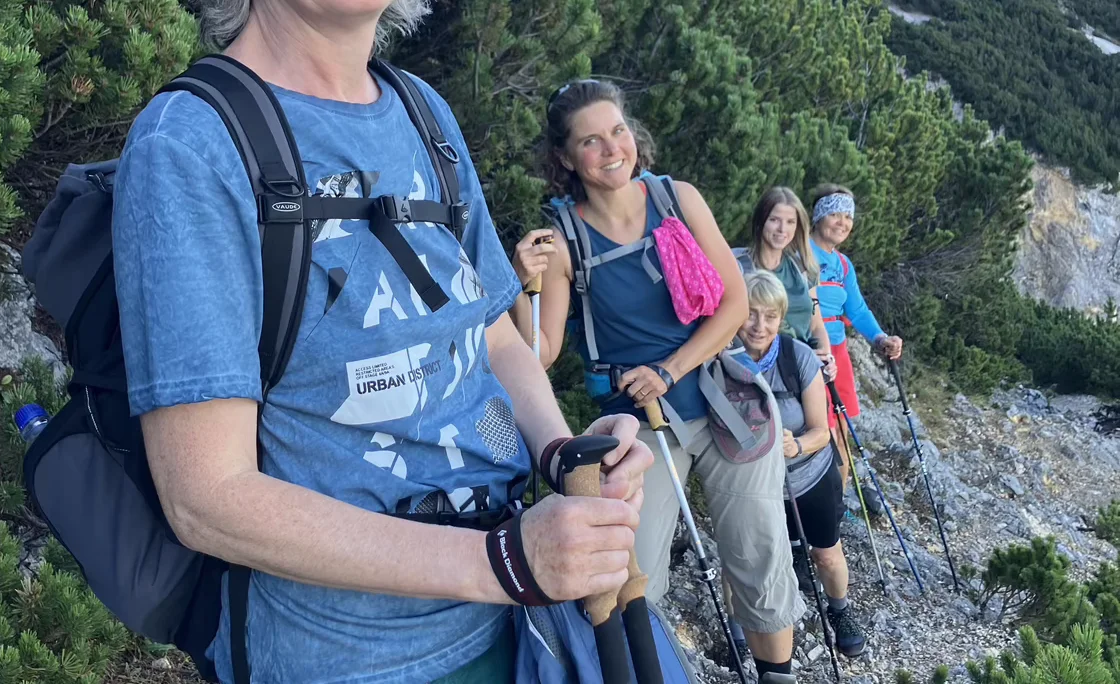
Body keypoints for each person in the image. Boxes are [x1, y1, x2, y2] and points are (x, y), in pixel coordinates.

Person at [109, 2, 656, 682]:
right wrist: (505, 563)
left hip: (520, 618)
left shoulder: (421, 111)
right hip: (356, 654)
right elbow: (207, 496)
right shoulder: (190, 142)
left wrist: (560, 450)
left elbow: (490, 333)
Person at [510, 78, 806, 684]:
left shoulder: (677, 198)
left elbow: (731, 304)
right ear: (566, 159)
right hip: (636, 424)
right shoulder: (564, 240)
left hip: (724, 401)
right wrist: (523, 286)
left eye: (617, 130)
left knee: (758, 551)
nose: (612, 148)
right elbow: (537, 355)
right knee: (629, 571)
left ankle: (778, 675)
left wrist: (668, 370)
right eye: (590, 141)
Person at [729, 271, 869, 658]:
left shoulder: (797, 357)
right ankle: (740, 634)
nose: (759, 326)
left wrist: (795, 446)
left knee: (825, 552)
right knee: (744, 558)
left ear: (781, 317)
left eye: (770, 316)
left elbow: (821, 432)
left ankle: (840, 610)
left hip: (808, 476)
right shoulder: (721, 359)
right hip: (754, 484)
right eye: (751, 314)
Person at [809, 183, 902, 508]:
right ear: (819, 215)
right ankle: (815, 501)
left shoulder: (843, 264)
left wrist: (880, 339)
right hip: (808, 352)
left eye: (848, 216)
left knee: (841, 429)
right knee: (817, 429)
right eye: (835, 213)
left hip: (839, 354)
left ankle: (837, 502)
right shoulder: (801, 251)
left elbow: (857, 309)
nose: (843, 222)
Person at [734, 186, 835, 379]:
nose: (782, 229)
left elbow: (815, 325)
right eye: (774, 220)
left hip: (802, 373)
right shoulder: (736, 266)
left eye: (790, 222)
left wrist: (826, 357)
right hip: (755, 371)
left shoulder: (804, 269)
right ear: (760, 221)